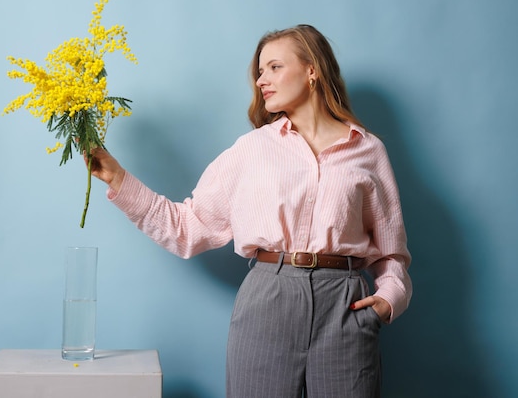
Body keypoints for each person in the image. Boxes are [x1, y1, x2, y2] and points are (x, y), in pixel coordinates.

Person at [85, 24, 412, 398]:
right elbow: (187, 229)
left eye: (273, 67)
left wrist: (388, 299)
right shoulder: (252, 149)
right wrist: (118, 179)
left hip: (345, 306)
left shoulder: (368, 151)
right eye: (259, 71)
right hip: (267, 302)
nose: (261, 80)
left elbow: (391, 252)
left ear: (312, 70)